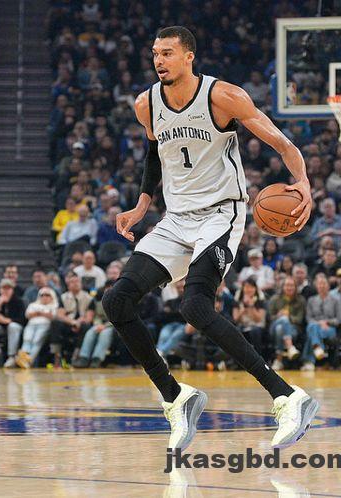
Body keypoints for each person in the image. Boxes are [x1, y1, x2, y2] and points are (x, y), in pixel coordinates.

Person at [100, 26, 318, 451]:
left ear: (189, 57)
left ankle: (288, 396)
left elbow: (280, 142)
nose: (159, 60)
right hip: (176, 218)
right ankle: (176, 397)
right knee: (116, 301)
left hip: (221, 213)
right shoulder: (146, 104)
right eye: (155, 53)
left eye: (167, 53)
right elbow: (154, 155)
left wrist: (303, 181)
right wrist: (142, 206)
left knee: (195, 306)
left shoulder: (223, 97)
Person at [301, 274, 341, 371]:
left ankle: (309, 361)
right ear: (316, 286)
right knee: (313, 327)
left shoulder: (336, 300)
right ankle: (317, 348)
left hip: (329, 328)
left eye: (324, 283)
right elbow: (308, 318)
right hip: (315, 326)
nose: (322, 286)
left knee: (312, 331)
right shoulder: (311, 300)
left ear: (328, 286)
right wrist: (319, 323)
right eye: (319, 284)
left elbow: (339, 319)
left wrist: (326, 322)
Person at [0, 278, 26, 367]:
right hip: (1, 328)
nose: (6, 291)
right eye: (3, 288)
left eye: (8, 288)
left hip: (15, 327)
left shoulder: (19, 301)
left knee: (12, 326)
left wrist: (7, 320)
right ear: (0, 290)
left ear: (12, 290)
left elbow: (22, 320)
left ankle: (11, 357)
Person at [74, 280, 116, 368]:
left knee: (105, 334)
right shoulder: (96, 300)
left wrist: (104, 326)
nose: (109, 290)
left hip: (113, 325)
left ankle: (97, 359)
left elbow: (118, 318)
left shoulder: (120, 301)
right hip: (98, 323)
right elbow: (94, 316)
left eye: (112, 288)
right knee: (90, 332)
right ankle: (84, 357)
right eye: (107, 288)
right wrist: (98, 325)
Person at [267, 276, 305, 370]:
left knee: (280, 329)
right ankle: (290, 346)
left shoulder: (300, 300)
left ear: (295, 287)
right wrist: (278, 316)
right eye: (287, 285)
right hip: (274, 326)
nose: (289, 288)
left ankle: (278, 360)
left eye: (292, 285)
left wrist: (289, 317)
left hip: (293, 329)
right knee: (282, 320)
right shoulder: (275, 299)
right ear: (283, 287)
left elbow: (299, 319)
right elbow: (270, 318)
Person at [16, 287, 59, 368]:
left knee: (37, 341)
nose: (44, 297)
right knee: (27, 340)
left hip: (44, 325)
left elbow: (53, 316)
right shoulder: (33, 305)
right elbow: (28, 315)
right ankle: (23, 359)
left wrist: (38, 313)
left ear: (52, 296)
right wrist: (43, 313)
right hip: (31, 325)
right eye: (42, 295)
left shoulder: (54, 306)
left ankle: (29, 361)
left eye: (47, 295)